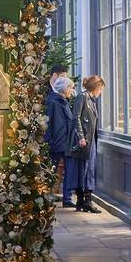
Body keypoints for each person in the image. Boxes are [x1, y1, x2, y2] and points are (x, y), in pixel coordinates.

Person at [66, 74, 105, 213]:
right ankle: (83, 201)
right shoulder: (82, 97)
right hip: (84, 141)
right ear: (96, 87)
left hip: (90, 141)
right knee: (83, 170)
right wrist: (81, 137)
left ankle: (85, 201)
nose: (100, 93)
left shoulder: (91, 100)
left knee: (89, 170)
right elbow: (75, 117)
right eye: (101, 90)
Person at [43, 74, 75, 208]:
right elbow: (48, 123)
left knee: (67, 169)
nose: (71, 91)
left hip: (64, 142)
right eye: (70, 88)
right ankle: (50, 195)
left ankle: (66, 198)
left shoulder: (62, 101)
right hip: (57, 142)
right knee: (54, 169)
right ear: (63, 89)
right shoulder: (53, 102)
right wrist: (49, 141)